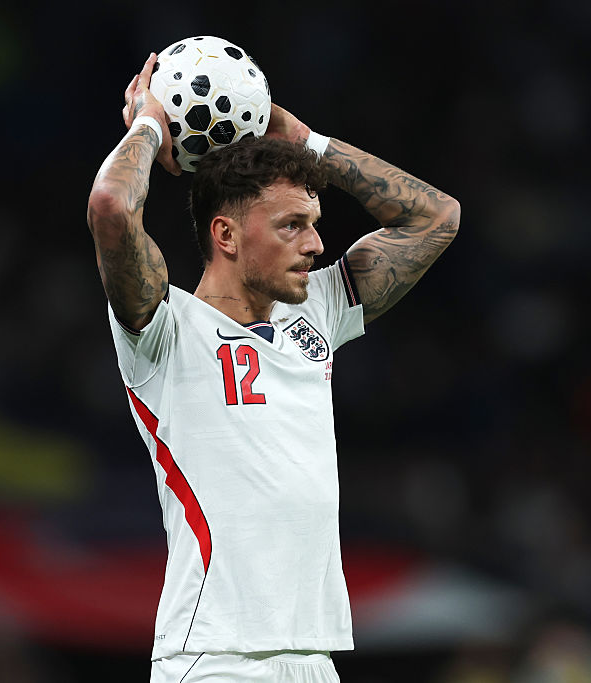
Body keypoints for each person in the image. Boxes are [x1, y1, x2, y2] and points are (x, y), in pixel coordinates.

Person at [87, 52, 460, 683]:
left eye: (314, 224)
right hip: (215, 656)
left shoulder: (316, 310)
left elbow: (437, 218)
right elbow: (113, 210)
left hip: (313, 655)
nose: (316, 245)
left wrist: (306, 143)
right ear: (227, 236)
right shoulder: (164, 332)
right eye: (292, 225)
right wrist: (148, 124)